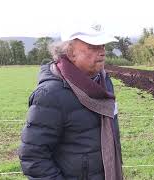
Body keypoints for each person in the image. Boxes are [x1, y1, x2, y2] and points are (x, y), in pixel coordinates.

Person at [19, 24, 123, 180]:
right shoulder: (50, 95)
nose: (102, 51)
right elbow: (33, 156)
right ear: (70, 52)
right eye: (93, 46)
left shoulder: (103, 82)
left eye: (103, 45)